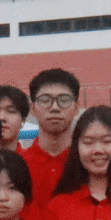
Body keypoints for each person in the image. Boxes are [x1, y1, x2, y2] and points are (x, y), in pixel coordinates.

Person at [24, 68, 82, 206]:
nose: (55, 107)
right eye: (45, 100)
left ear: (77, 107)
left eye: (64, 100)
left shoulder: (88, 163)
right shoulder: (18, 165)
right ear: (32, 108)